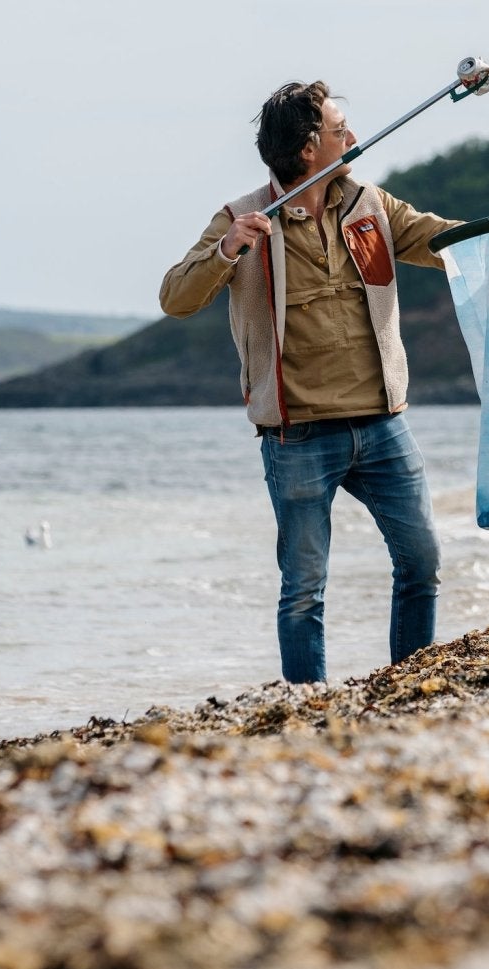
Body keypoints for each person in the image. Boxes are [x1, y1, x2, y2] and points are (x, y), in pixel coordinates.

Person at [160, 79, 460, 682]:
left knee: (421, 563)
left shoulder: (369, 204)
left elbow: (436, 237)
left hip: (383, 427)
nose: (351, 135)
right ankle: (306, 704)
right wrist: (225, 250)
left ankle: (409, 685)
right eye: (338, 127)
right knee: (304, 588)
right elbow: (175, 297)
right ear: (307, 147)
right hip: (297, 437)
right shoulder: (241, 216)